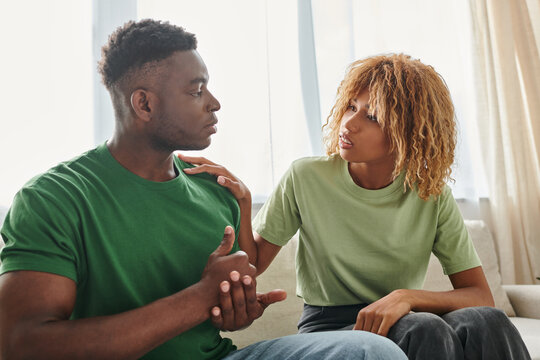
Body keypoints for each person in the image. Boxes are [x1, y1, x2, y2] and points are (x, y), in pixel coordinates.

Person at [0, 19, 407, 359]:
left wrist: (229, 309)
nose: (214, 103)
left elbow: (215, 309)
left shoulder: (215, 191)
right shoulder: (53, 198)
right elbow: (22, 343)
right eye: (196, 91)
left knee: (373, 351)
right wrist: (198, 298)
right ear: (144, 105)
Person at [184, 54, 531, 359]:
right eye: (352, 106)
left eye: (373, 117)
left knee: (487, 320)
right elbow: (254, 265)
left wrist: (404, 298)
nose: (349, 123)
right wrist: (244, 201)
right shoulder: (306, 177)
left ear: (408, 133)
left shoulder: (429, 193)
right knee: (425, 329)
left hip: (405, 318)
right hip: (330, 326)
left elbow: (481, 296)